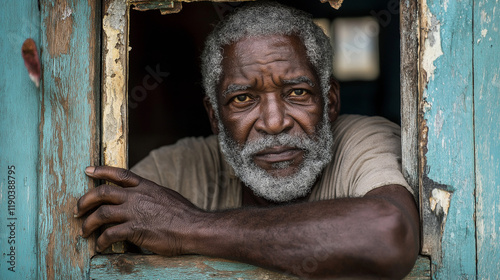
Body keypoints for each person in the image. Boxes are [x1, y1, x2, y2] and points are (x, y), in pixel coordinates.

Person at [74, 3, 420, 279]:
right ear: (214, 116)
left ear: (329, 103)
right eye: (243, 99)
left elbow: (388, 234)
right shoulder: (177, 167)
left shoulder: (362, 140)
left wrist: (189, 227)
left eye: (297, 92)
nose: (274, 123)